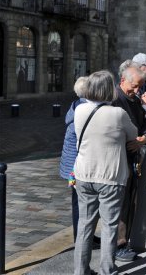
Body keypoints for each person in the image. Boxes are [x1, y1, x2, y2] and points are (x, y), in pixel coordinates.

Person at [73, 71, 138, 275]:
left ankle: (80, 271)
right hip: (111, 176)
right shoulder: (118, 113)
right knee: (110, 227)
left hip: (84, 174)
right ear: (110, 89)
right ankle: (107, 271)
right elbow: (133, 134)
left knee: (85, 225)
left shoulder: (79, 109)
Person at [112, 64, 146, 262]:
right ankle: (118, 245)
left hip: (132, 159)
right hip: (117, 160)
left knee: (129, 202)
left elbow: (145, 123)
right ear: (122, 81)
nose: (137, 90)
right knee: (119, 205)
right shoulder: (114, 100)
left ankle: (123, 242)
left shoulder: (135, 100)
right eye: (135, 86)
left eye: (140, 86)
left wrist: (143, 138)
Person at [59, 76, 89, 242]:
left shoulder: (75, 105)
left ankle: (82, 235)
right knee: (80, 202)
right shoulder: (84, 109)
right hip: (76, 166)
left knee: (79, 201)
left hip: (71, 165)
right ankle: (81, 237)